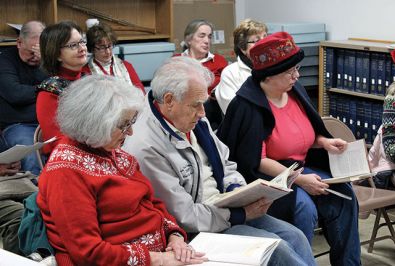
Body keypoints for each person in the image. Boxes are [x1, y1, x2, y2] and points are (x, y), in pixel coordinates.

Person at [123, 56, 316, 266]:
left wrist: (240, 191)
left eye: (203, 103)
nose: (203, 113)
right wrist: (239, 214)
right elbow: (182, 215)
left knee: (296, 236)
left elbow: (226, 161)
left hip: (225, 206)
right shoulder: (146, 145)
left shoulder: (188, 113)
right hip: (198, 228)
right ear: (169, 100)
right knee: (277, 249)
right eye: (197, 105)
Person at [217, 32, 360, 266]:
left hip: (300, 166)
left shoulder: (294, 91)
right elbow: (254, 159)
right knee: (303, 207)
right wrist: (302, 180)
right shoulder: (247, 105)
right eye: (290, 71)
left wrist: (323, 142)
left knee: (344, 195)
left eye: (297, 69)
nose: (297, 75)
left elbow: (302, 134)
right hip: (269, 176)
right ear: (269, 76)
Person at [36, 74, 206, 266]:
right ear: (95, 124)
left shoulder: (111, 150)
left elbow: (151, 204)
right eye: (124, 125)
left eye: (131, 123)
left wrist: (175, 237)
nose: (131, 132)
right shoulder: (66, 172)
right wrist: (158, 259)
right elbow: (88, 252)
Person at [0, 20, 47, 175]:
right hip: (18, 125)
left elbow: (62, 87)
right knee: (30, 154)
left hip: (48, 123)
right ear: (19, 43)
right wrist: (47, 88)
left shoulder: (47, 62)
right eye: (31, 52)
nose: (36, 57)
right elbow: (15, 94)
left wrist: (45, 63)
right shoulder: (5, 60)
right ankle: (35, 197)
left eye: (39, 52)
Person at [36, 21, 87, 155]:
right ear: (57, 54)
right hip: (70, 159)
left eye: (82, 42)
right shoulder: (49, 92)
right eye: (73, 45)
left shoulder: (89, 79)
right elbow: (57, 142)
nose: (82, 48)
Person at [176, 19, 228, 130]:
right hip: (185, 112)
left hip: (214, 114)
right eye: (202, 36)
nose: (207, 41)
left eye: (209, 37)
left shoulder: (219, 61)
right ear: (189, 40)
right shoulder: (177, 61)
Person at [215, 19, 267, 114]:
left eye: (265, 38)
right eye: (257, 40)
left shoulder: (275, 67)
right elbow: (234, 112)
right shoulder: (230, 73)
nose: (264, 43)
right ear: (243, 48)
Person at [82, 22, 145, 94]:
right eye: (102, 47)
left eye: (109, 46)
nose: (108, 51)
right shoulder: (85, 72)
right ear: (92, 48)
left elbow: (141, 93)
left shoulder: (126, 66)